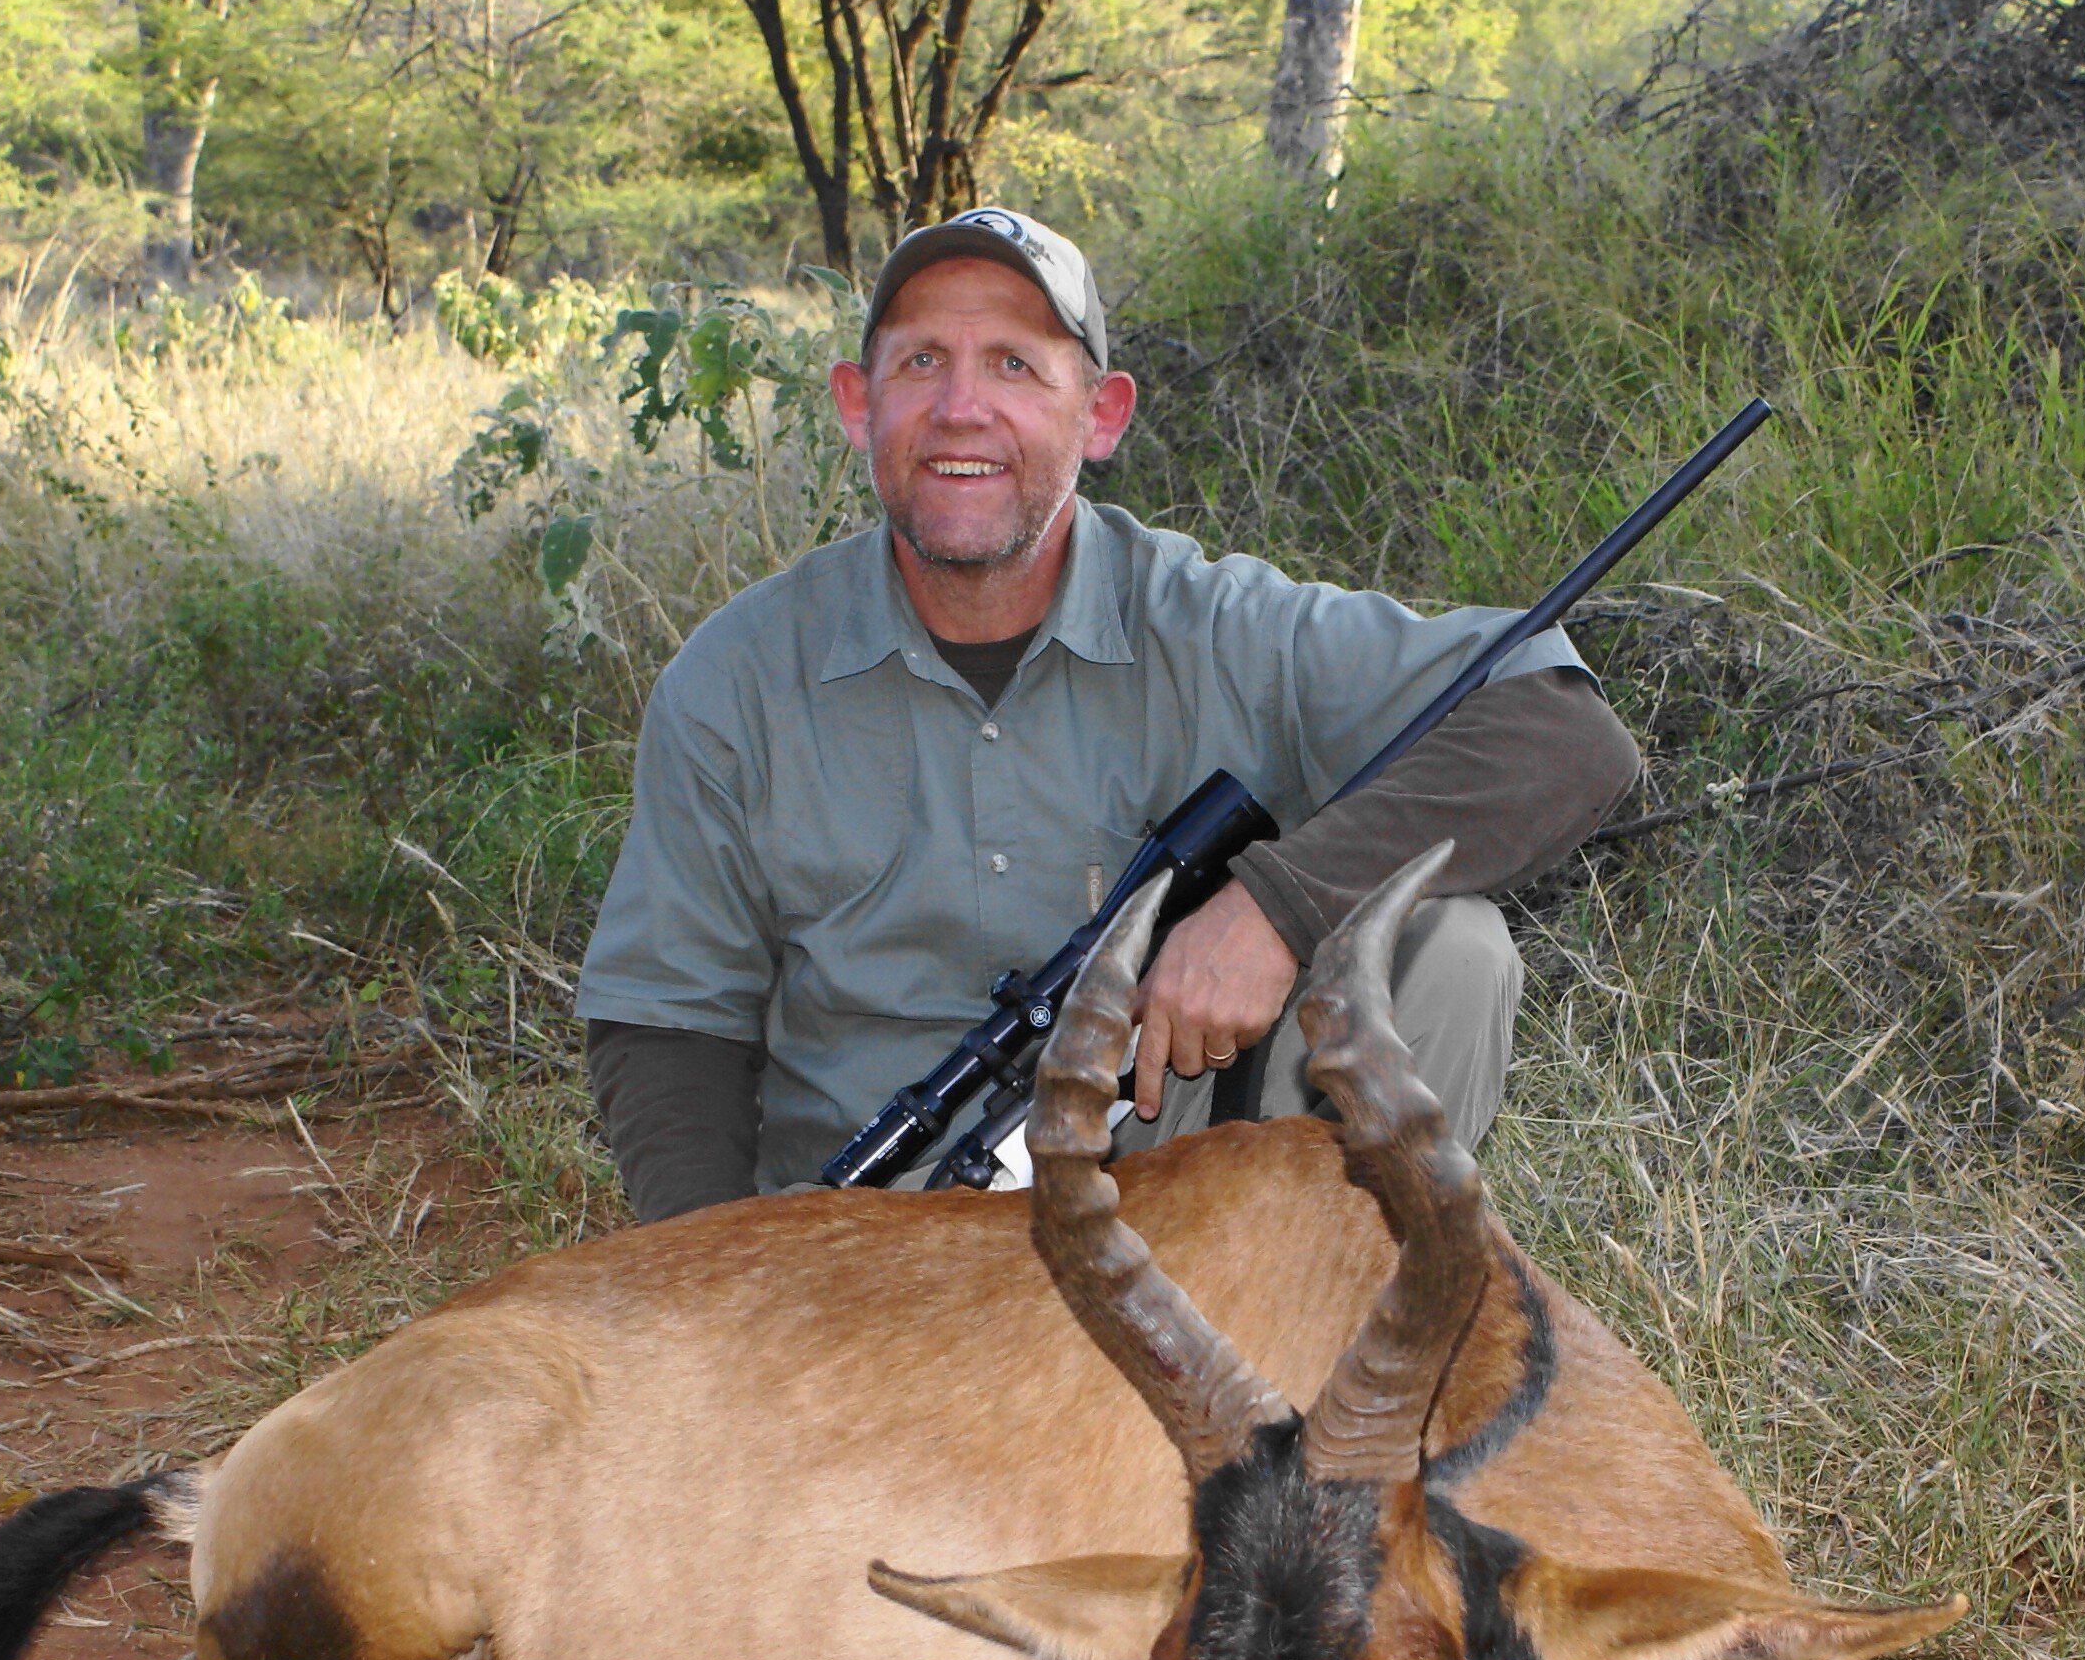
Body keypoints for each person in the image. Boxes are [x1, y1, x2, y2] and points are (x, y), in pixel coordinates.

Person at [576, 206, 1645, 1220]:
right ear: (858, 403)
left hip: (1165, 1193)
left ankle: (1325, 1344)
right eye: (920, 363)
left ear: (1100, 414)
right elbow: (667, 1020)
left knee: (1449, 946)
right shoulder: (734, 679)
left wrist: (1278, 906)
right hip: (871, 1248)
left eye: (1013, 366)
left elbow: (1562, 729)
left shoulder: (1221, 622)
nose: (960, 409)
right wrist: (712, 1287)